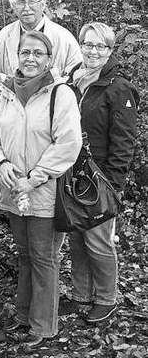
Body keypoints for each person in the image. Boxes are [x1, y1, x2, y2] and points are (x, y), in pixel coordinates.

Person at [0, 31, 82, 347]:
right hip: (14, 191)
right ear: (16, 56)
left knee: (43, 258)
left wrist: (36, 176)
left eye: (38, 53)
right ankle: (23, 316)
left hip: (45, 192)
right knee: (25, 255)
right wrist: (0, 164)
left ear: (48, 59)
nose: (30, 58)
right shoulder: (7, 93)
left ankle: (43, 327)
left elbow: (68, 143)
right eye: (25, 52)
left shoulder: (60, 94)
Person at [60, 22, 139, 323]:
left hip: (100, 177)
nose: (93, 51)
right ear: (79, 45)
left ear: (109, 50)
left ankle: (106, 298)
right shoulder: (72, 80)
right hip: (72, 173)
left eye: (100, 46)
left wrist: (113, 183)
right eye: (87, 44)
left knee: (98, 240)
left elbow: (124, 141)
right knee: (77, 236)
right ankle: (81, 294)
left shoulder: (118, 88)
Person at [0, 0, 80, 78]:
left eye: (32, 1)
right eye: (20, 2)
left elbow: (76, 77)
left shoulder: (64, 38)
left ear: (43, 3)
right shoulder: (3, 37)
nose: (26, 8)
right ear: (13, 6)